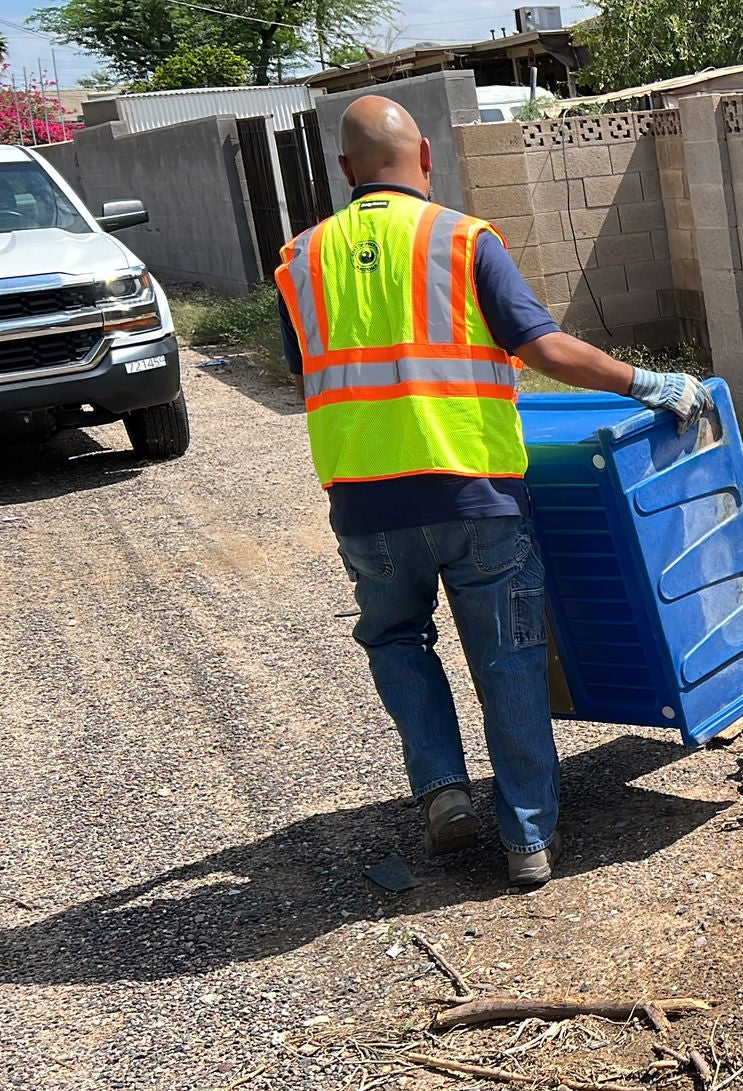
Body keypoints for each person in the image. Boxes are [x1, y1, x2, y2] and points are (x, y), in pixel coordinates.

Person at [273, 96, 706, 886]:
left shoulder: (298, 260)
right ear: (427, 158)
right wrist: (647, 381)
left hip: (365, 504)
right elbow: (541, 347)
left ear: (344, 173)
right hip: (475, 495)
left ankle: (442, 791)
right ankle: (528, 840)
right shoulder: (462, 239)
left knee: (398, 640)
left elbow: (308, 372)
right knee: (507, 658)